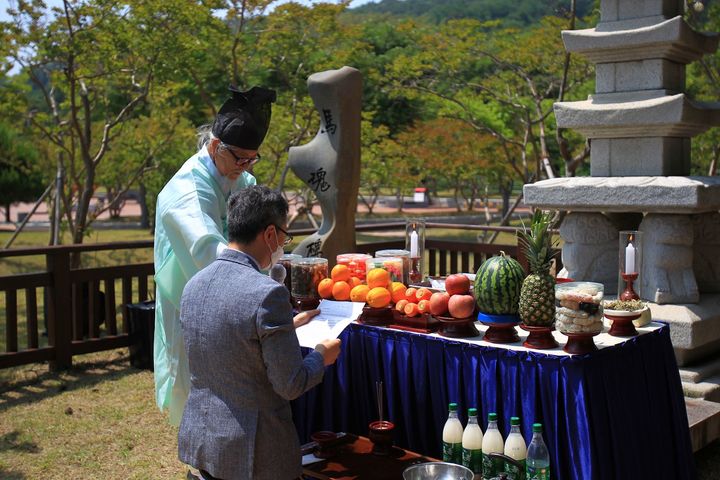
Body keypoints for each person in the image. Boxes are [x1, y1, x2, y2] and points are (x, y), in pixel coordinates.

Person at [178, 185, 342, 480]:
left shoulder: (194, 284)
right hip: (256, 452)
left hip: (205, 440)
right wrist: (321, 355)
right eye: (284, 236)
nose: (283, 244)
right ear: (269, 235)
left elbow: (226, 337)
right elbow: (290, 383)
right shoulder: (268, 294)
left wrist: (287, 326)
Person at [153, 86, 276, 425]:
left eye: (253, 158)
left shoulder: (242, 178)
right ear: (214, 146)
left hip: (233, 294)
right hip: (190, 296)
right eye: (240, 158)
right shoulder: (187, 189)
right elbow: (206, 248)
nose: (246, 166)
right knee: (198, 384)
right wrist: (259, 289)